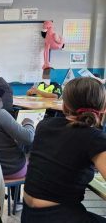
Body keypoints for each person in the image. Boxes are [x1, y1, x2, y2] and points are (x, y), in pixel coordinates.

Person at [22, 77, 106, 223]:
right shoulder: (94, 137)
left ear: (64, 106)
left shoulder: (44, 125)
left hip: (29, 215)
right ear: (103, 108)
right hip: (59, 216)